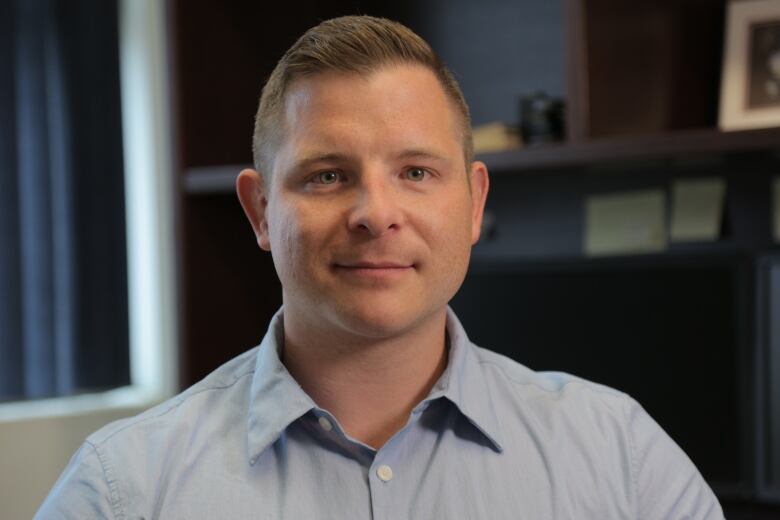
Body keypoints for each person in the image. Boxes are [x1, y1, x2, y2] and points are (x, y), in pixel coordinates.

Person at [37, 15, 724, 519]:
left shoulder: (621, 458)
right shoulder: (123, 489)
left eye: (416, 171)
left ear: (474, 200)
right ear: (259, 212)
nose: (376, 212)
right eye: (328, 175)